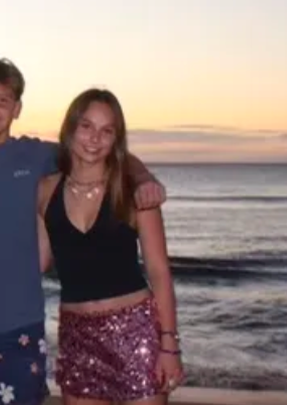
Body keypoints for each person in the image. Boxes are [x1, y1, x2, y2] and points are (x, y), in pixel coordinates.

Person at [0, 59, 166, 405]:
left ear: (17, 108)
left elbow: (106, 153)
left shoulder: (37, 156)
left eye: (3, 100)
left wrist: (143, 178)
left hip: (23, 326)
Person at [37, 88, 183, 405]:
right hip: (77, 338)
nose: (94, 139)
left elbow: (159, 271)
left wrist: (169, 345)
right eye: (86, 126)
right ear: (70, 128)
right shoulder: (45, 191)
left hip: (135, 332)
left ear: (116, 139)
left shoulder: (132, 189)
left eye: (107, 131)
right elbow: (39, 261)